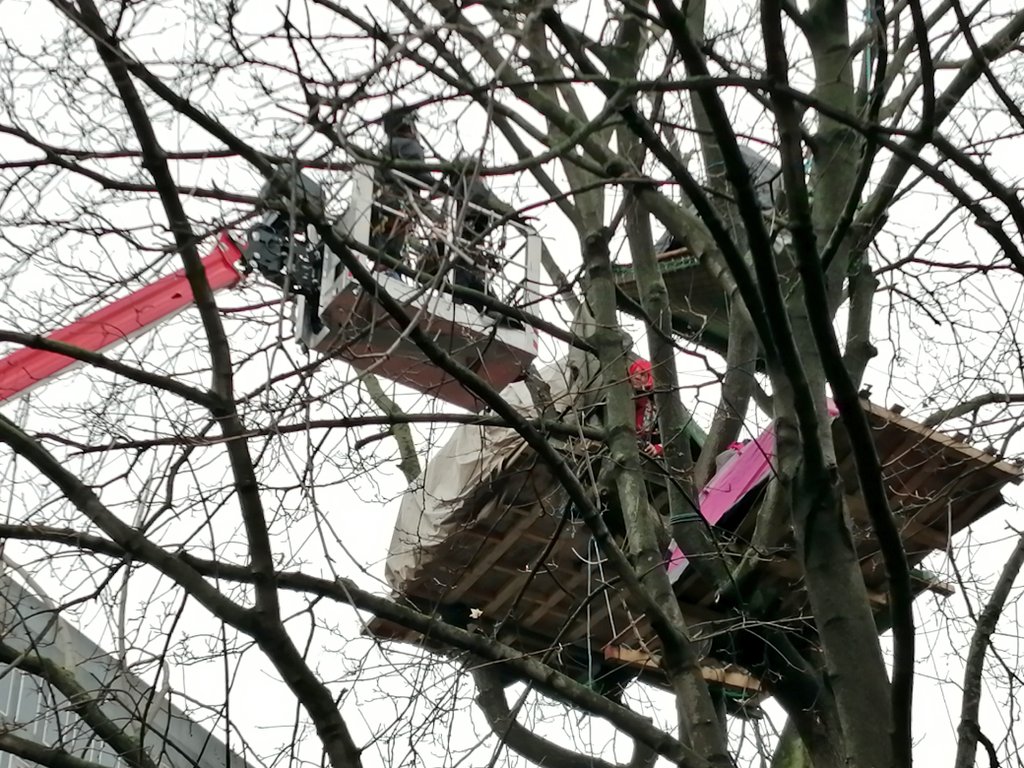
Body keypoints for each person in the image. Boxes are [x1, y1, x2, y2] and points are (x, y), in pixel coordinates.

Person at [371, 108, 438, 275]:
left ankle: (385, 272)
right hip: (398, 202)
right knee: (392, 250)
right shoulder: (409, 145)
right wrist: (442, 188)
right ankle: (390, 274)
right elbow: (421, 175)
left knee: (385, 249)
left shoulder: (388, 149)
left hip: (380, 207)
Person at [629, 359, 663, 457]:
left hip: (640, 452)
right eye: (635, 373)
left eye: (643, 374)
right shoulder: (619, 393)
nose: (637, 377)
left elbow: (670, 439)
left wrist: (657, 448)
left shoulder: (653, 406)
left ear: (649, 379)